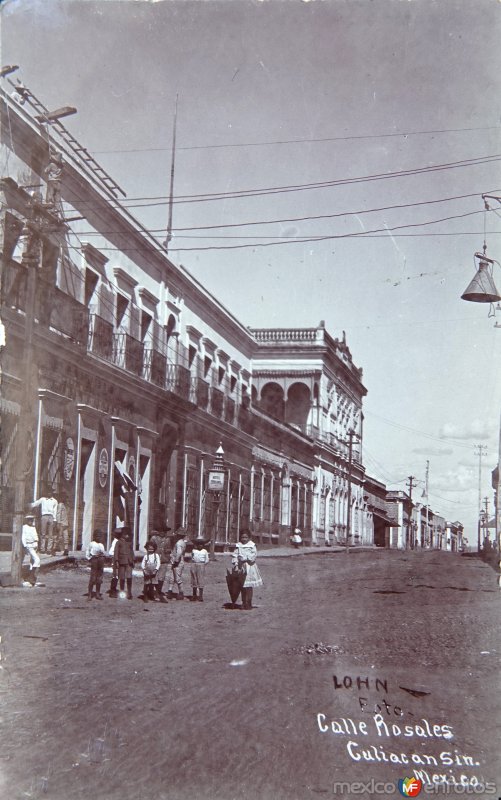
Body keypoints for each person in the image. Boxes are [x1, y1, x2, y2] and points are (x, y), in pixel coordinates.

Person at [232, 529, 263, 610]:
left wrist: (245, 558)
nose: (244, 539)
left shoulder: (252, 546)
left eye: (246, 537)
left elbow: (253, 556)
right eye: (242, 537)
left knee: (248, 586)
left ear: (249, 538)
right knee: (242, 586)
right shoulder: (238, 545)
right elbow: (235, 555)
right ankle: (243, 602)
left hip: (249, 567)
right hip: (241, 567)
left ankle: (248, 602)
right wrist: (235, 563)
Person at [31, 489, 57, 554]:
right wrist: (28, 505)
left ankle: (49, 549)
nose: (49, 493)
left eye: (50, 492)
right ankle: (42, 548)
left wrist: (54, 520)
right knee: (43, 533)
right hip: (44, 516)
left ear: (52, 493)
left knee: (50, 534)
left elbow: (55, 511)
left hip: (51, 516)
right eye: (48, 492)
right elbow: (35, 504)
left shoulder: (54, 501)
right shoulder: (43, 499)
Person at [149, 528, 171, 601]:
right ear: (158, 531)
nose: (163, 532)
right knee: (153, 576)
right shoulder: (154, 538)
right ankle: (151, 592)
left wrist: (167, 556)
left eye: (164, 531)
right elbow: (149, 548)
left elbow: (169, 550)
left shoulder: (167, 540)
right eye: (161, 531)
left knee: (161, 577)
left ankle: (158, 592)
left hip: (163, 560)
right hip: (154, 560)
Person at [167, 527, 188, 600]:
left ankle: (181, 592)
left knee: (177, 577)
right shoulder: (182, 542)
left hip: (178, 562)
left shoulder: (179, 543)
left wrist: (176, 560)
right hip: (177, 561)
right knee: (172, 577)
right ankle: (170, 591)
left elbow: (179, 553)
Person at [113, 528, 135, 600]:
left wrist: (133, 560)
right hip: (121, 562)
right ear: (122, 535)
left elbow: (132, 552)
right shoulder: (118, 542)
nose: (127, 536)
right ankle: (122, 592)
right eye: (126, 535)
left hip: (129, 562)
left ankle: (129, 592)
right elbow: (116, 552)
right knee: (122, 578)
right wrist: (116, 561)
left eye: (128, 534)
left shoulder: (129, 542)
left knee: (129, 577)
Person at [86, 530, 106, 600]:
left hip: (101, 560)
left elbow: (103, 553)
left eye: (100, 536)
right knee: (93, 577)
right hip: (94, 560)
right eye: (97, 536)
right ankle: (90, 594)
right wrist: (90, 558)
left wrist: (103, 557)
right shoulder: (91, 543)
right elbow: (87, 552)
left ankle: (98, 593)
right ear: (94, 537)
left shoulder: (101, 545)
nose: (99, 538)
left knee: (99, 577)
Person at [22, 514, 40, 587]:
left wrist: (36, 543)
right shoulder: (24, 527)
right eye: (29, 520)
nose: (31, 521)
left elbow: (36, 536)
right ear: (27, 520)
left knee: (32, 562)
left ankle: (30, 580)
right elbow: (23, 537)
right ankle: (32, 578)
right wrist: (25, 546)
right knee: (37, 560)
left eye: (32, 520)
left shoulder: (33, 528)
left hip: (34, 545)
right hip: (28, 545)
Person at [190, 537, 209, 602]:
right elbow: (192, 557)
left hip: (201, 565)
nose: (200, 545)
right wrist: (194, 564)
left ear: (203, 545)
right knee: (194, 579)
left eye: (201, 544)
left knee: (200, 579)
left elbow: (207, 560)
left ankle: (200, 596)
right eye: (198, 544)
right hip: (194, 564)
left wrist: (202, 564)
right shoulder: (193, 550)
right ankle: (194, 595)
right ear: (196, 545)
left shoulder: (205, 551)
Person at [108, 527, 123, 598]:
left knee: (120, 576)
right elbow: (110, 552)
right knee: (115, 576)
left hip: (121, 561)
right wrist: (117, 555)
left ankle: (118, 590)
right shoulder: (115, 542)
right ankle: (112, 591)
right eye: (118, 534)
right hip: (115, 562)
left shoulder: (121, 541)